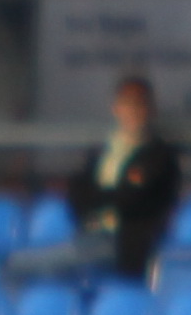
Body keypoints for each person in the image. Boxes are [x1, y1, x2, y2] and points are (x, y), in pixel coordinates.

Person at [68, 75, 183, 280]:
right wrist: (111, 196)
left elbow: (131, 199)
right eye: (127, 104)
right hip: (90, 234)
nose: (133, 111)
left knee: (31, 263)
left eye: (139, 104)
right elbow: (76, 193)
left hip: (126, 244)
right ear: (116, 108)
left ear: (151, 110)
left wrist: (98, 197)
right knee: (40, 273)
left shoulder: (159, 156)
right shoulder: (101, 152)